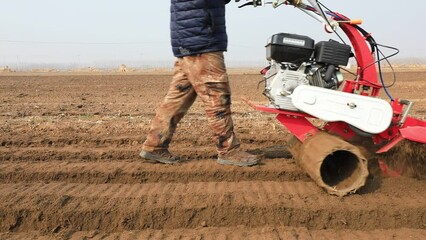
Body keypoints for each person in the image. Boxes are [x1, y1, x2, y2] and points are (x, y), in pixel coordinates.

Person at [140, 0, 260, 167]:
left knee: (177, 98)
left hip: (191, 38)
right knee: (217, 97)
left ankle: (154, 145)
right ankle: (228, 150)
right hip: (202, 39)